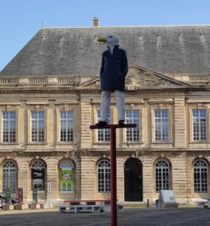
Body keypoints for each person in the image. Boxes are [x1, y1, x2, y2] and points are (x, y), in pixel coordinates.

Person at [96, 34, 128, 126]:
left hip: (118, 77)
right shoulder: (105, 54)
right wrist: (102, 77)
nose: (105, 39)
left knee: (120, 97)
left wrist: (121, 75)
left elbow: (125, 67)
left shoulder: (122, 52)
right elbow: (102, 68)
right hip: (106, 79)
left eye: (108, 38)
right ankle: (103, 119)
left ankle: (121, 119)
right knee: (104, 98)